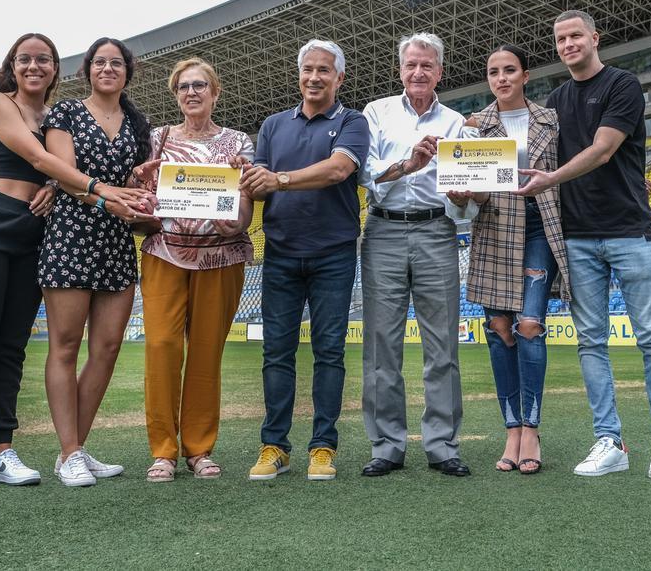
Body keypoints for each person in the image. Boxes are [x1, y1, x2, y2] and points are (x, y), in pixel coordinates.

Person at [0, 33, 148, 493]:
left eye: (44, 60)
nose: (34, 66)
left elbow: (58, 167)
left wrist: (59, 187)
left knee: (12, 346)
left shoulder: (52, 115)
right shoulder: (1, 103)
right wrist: (99, 191)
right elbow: (40, 157)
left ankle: (2, 450)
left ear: (57, 69)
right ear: (13, 65)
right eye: (26, 59)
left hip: (32, 230)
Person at [516, 10, 651, 480]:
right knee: (591, 342)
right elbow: (525, 140)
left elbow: (605, 149)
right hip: (577, 237)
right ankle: (610, 441)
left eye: (575, 36)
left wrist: (551, 178)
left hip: (629, 231)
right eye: (560, 39)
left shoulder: (623, 85)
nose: (568, 44)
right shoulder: (554, 100)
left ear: (594, 38)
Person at [236, 39, 368, 481]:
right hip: (280, 253)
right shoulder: (273, 125)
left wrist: (279, 179)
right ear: (299, 75)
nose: (314, 77)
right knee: (277, 353)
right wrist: (246, 173)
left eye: (324, 70)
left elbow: (338, 170)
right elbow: (256, 184)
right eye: (307, 69)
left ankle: (323, 447)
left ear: (339, 78)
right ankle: (274, 445)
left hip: (333, 253)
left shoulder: (353, 121)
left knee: (329, 352)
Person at [39, 37, 158, 487]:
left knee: (106, 348)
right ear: (87, 70)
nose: (107, 69)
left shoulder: (137, 122)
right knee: (65, 347)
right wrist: (109, 199)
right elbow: (65, 177)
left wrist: (137, 180)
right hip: (71, 233)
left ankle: (75, 450)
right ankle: (68, 451)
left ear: (128, 72)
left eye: (116, 63)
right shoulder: (65, 113)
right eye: (99, 62)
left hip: (115, 239)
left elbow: (128, 182)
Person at [448, 45, 571, 475]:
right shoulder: (474, 126)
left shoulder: (550, 121)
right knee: (500, 328)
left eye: (510, 70)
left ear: (525, 74)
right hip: (494, 229)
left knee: (530, 325)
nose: (501, 78)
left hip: (539, 227)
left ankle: (532, 428)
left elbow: (571, 169)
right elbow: (473, 189)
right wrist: (463, 193)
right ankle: (512, 428)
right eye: (494, 72)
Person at [358, 33, 472, 478]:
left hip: (437, 230)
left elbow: (465, 198)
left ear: (439, 71)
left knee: (442, 342)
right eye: (411, 65)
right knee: (381, 344)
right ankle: (387, 444)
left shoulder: (457, 122)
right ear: (400, 70)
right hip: (384, 228)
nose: (418, 72)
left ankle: (442, 444)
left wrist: (463, 195)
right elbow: (366, 175)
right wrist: (408, 165)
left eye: (427, 65)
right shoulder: (376, 113)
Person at [137, 58, 255, 482]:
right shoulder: (157, 139)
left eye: (200, 85)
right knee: (162, 348)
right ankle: (163, 451)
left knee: (206, 353)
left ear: (215, 91)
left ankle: (199, 449)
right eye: (184, 86)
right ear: (176, 94)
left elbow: (244, 202)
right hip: (165, 253)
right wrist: (142, 193)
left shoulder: (238, 142)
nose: (192, 92)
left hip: (220, 258)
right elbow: (141, 192)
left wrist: (237, 221)